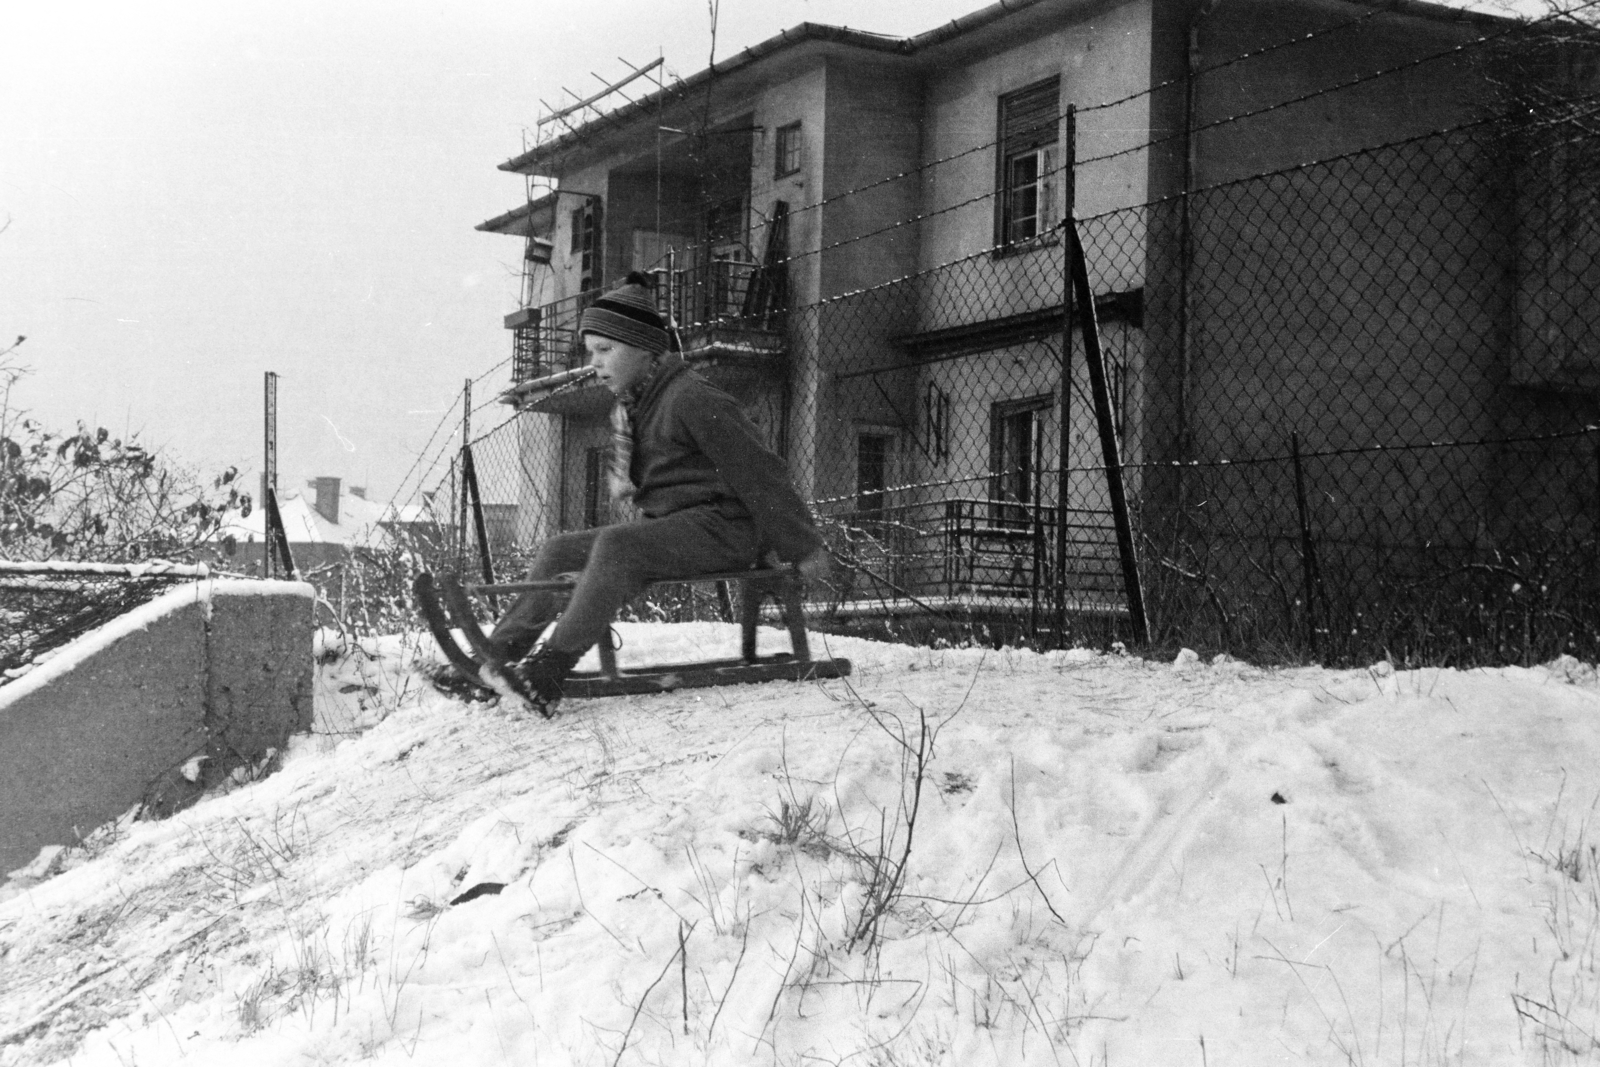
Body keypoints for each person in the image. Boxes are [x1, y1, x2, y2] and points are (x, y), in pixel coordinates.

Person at [484, 271, 833, 710]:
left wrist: (803, 547)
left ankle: (551, 667)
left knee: (617, 544)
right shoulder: (636, 407)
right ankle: (497, 659)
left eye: (605, 350)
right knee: (560, 549)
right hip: (680, 528)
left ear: (646, 350)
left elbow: (759, 472)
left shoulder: (691, 398)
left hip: (725, 528)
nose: (594, 362)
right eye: (591, 351)